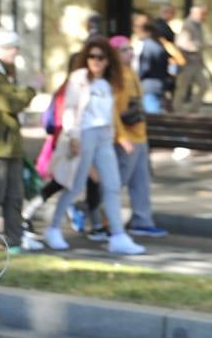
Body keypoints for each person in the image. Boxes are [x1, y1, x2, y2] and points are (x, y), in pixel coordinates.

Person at [42, 37, 147, 256]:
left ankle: (118, 235)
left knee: (112, 185)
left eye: (101, 57)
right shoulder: (79, 78)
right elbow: (69, 109)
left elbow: (110, 113)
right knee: (75, 184)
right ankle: (53, 229)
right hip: (83, 135)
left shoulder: (108, 83)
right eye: (92, 56)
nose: (96, 61)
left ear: (108, 60)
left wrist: (113, 136)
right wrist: (73, 137)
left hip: (103, 137)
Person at [0, 28, 42, 253]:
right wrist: (33, 89)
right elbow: (12, 102)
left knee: (14, 197)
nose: (16, 52)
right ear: (0, 49)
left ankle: (14, 240)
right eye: (13, 47)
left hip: (8, 147)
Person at [112, 35, 167, 238]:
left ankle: (142, 220)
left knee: (141, 181)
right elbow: (112, 111)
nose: (130, 53)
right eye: (124, 50)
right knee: (117, 182)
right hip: (127, 138)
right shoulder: (115, 77)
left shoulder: (131, 72)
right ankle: (104, 218)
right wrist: (121, 136)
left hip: (140, 135)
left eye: (130, 49)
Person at [131, 12, 172, 115]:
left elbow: (144, 67)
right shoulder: (158, 45)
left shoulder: (147, 46)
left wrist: (136, 79)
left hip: (149, 86)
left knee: (152, 117)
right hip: (158, 84)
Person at [175, 2, 212, 112]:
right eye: (203, 13)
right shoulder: (187, 25)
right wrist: (203, 46)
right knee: (182, 89)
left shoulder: (199, 25)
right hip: (187, 63)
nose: (204, 16)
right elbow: (183, 44)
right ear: (195, 13)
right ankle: (178, 112)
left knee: (204, 85)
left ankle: (193, 110)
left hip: (197, 63)